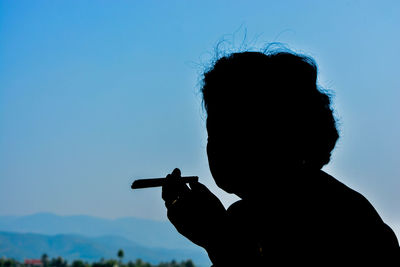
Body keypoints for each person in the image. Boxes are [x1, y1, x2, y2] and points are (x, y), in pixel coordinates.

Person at [161, 50, 399, 266]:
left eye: (232, 132)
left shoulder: (340, 223)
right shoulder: (249, 217)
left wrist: (217, 237)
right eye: (213, 133)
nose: (215, 148)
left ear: (277, 137)